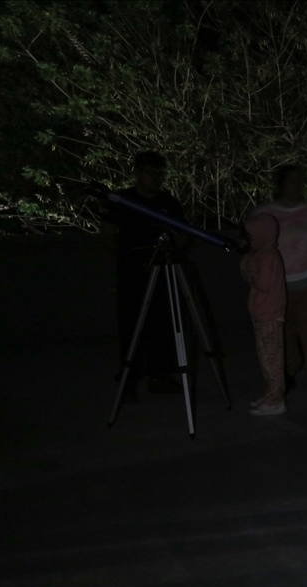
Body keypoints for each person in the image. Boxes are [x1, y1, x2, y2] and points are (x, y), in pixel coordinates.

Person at [251, 165, 307, 400]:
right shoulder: (266, 213)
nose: (296, 186)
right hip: (279, 287)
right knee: (284, 334)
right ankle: (287, 374)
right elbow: (253, 248)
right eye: (291, 181)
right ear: (280, 184)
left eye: (299, 181)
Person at [104, 151, 185, 400]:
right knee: (130, 323)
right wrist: (125, 257)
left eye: (160, 173)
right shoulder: (123, 199)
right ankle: (130, 375)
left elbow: (182, 236)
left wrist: (173, 249)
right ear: (138, 172)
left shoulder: (169, 203)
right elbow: (107, 233)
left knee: (162, 323)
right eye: (151, 172)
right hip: (133, 271)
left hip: (162, 270)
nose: (157, 178)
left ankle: (159, 375)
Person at [240, 213, 287, 416]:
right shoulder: (262, 255)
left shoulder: (269, 258)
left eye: (250, 237)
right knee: (266, 359)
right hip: (262, 314)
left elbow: (263, 283)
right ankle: (270, 395)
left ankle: (276, 400)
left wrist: (248, 266)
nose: (247, 241)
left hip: (269, 316)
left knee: (271, 361)